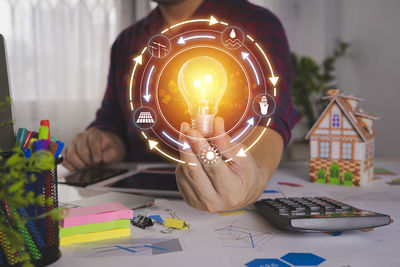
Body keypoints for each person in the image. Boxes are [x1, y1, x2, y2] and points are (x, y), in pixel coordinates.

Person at [62, 0, 300, 212]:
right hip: (136, 206)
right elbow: (111, 118)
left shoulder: (255, 25)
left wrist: (253, 176)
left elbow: (271, 116)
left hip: (225, 209)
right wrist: (103, 141)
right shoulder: (127, 43)